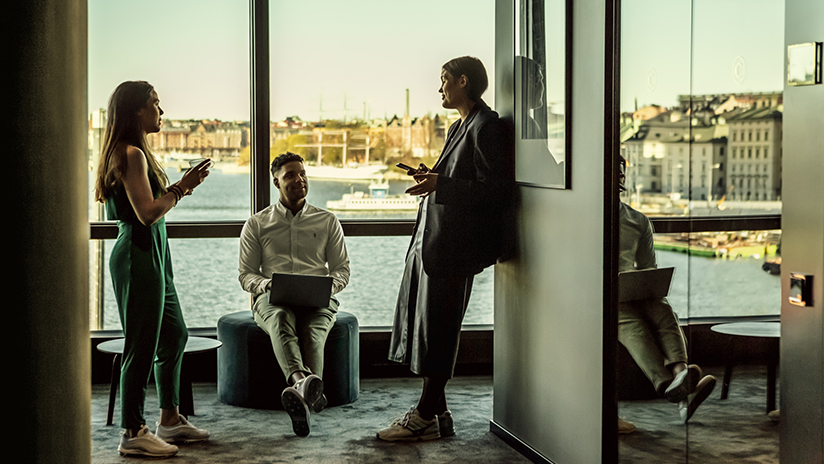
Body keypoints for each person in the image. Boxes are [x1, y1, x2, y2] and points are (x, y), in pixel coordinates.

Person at [377, 56, 513, 442]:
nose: (439, 89)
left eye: (444, 81)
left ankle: (423, 416)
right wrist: (433, 179)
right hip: (436, 243)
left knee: (440, 331)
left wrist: (442, 185)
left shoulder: (487, 127)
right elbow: (455, 178)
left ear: (463, 82)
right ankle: (438, 410)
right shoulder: (460, 126)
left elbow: (496, 192)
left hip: (455, 248)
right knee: (428, 328)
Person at [94, 81, 211, 458]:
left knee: (175, 334)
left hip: (156, 253)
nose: (161, 112)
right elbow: (146, 214)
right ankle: (132, 431)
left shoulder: (134, 152)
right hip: (139, 254)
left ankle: (170, 418)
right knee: (140, 347)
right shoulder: (131, 154)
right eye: (155, 105)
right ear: (136, 111)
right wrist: (183, 186)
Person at [238, 152, 350, 437]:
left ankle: (299, 391)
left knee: (313, 331)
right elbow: (246, 275)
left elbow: (341, 270)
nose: (299, 179)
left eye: (302, 173)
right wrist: (267, 286)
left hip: (318, 298)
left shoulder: (327, 221)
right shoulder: (257, 224)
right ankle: (305, 383)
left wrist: (327, 288)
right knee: (279, 319)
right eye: (290, 175)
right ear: (276, 182)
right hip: (272, 298)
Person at [616, 156, 716, 433]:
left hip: (633, 289)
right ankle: (674, 387)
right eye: (613, 173)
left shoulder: (638, 220)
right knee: (632, 325)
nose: (618, 178)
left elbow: (648, 267)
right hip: (605, 294)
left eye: (621, 173)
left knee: (663, 309)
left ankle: (679, 374)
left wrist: (647, 285)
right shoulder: (586, 217)